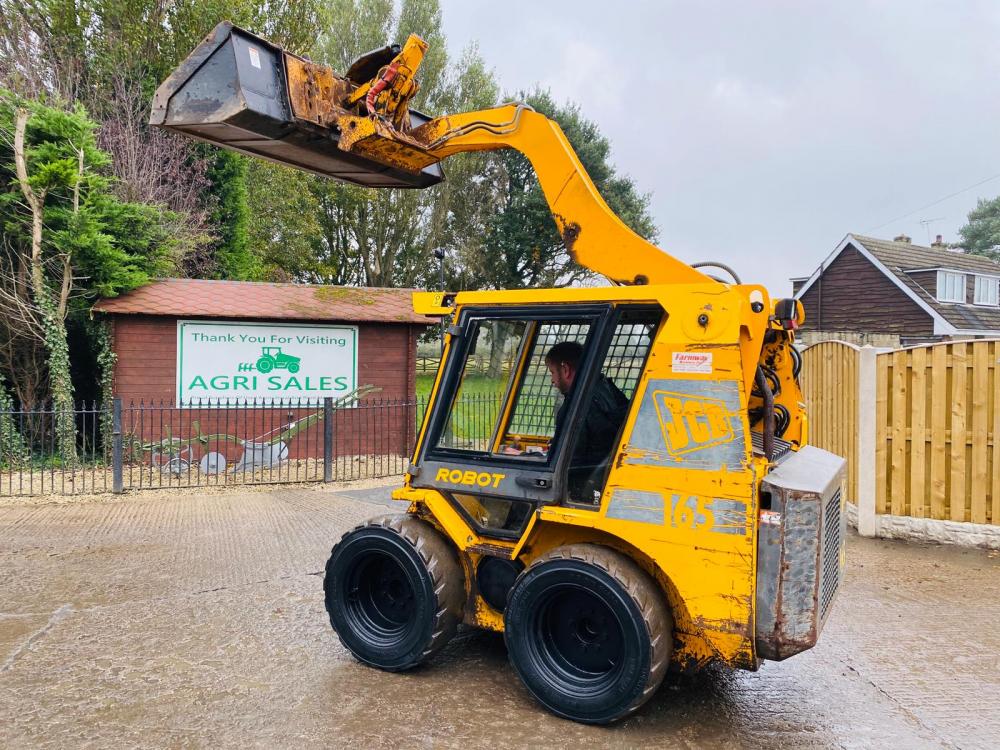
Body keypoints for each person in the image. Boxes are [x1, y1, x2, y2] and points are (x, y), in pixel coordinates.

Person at [544, 341, 629, 502]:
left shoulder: (576, 408)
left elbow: (570, 460)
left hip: (581, 488)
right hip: (603, 478)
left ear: (565, 369)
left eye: (552, 372)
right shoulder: (609, 391)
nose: (552, 380)